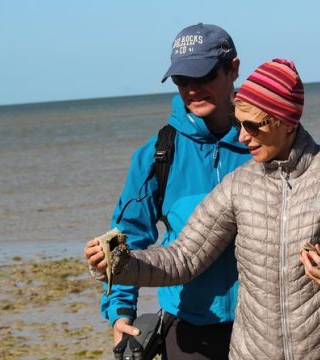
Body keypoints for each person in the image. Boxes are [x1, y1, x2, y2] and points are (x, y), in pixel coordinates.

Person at [88, 58, 320, 359]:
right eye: (238, 123)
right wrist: (118, 264)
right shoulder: (238, 185)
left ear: (286, 122)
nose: (243, 136)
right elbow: (183, 258)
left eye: (253, 126)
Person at [84, 23, 251, 359]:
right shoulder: (159, 153)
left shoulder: (260, 143)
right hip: (189, 331)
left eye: (204, 76)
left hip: (262, 324)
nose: (193, 89)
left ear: (233, 69)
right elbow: (125, 238)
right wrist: (120, 313)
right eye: (182, 80)